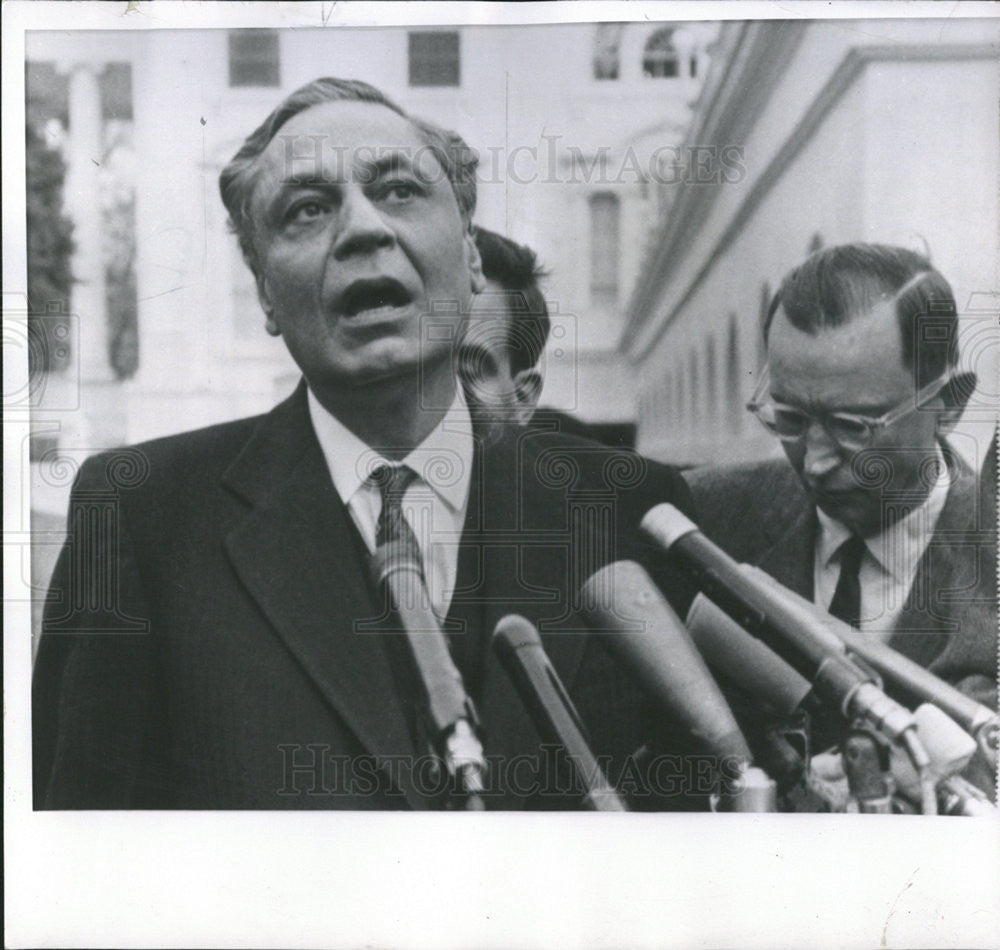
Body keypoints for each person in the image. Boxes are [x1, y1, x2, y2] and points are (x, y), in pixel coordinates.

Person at [33, 78, 698, 810]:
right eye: (308, 210)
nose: (362, 230)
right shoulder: (140, 518)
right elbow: (84, 864)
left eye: (400, 191)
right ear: (263, 293)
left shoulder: (631, 509)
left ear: (472, 256)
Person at [686, 244, 997, 786]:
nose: (816, 461)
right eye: (789, 417)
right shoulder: (704, 518)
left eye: (855, 427)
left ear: (950, 403)